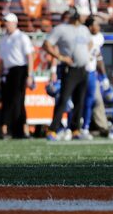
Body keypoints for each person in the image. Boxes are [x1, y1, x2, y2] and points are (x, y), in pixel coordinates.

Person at [42, 8, 92, 140]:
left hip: (83, 69)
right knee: (63, 99)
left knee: (79, 101)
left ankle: (75, 129)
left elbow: (89, 43)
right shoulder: (61, 29)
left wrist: (85, 56)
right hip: (69, 69)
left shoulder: (84, 29)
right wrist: (61, 57)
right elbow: (46, 44)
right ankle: (52, 130)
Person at [0, 13, 33, 139]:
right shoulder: (4, 38)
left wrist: (30, 74)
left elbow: (29, 57)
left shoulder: (22, 37)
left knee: (18, 100)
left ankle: (20, 130)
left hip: (20, 70)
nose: (6, 24)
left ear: (14, 23)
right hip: (8, 71)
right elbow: (1, 61)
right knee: (7, 101)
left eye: (8, 22)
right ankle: (8, 129)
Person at [81, 16, 107, 139]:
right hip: (79, 71)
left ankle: (85, 127)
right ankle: (71, 128)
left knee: (91, 100)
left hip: (91, 72)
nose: (99, 27)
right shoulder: (82, 36)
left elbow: (99, 56)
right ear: (90, 26)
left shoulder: (99, 37)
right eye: (97, 24)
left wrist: (104, 76)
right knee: (75, 100)